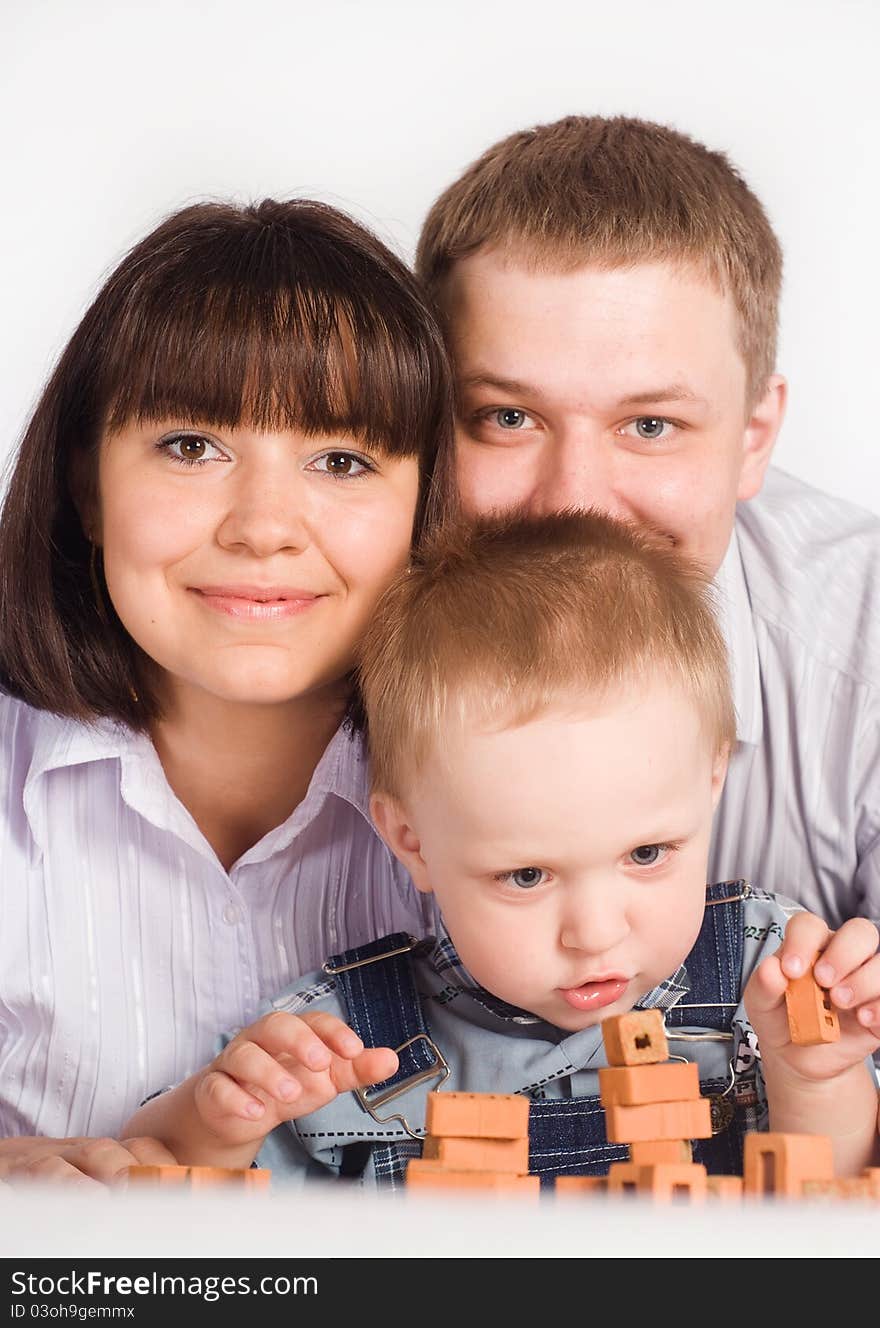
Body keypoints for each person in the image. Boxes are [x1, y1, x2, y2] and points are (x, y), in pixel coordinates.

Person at [124, 512, 880, 1187]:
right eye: (526, 875)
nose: (596, 932)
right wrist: (214, 1122)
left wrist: (817, 1078)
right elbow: (166, 1209)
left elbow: (836, 1228)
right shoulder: (343, 1047)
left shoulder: (773, 975)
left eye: (647, 855)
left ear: (712, 781)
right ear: (410, 839)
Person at [0, 197, 455, 1184]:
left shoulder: (514, 785)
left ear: (423, 507)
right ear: (88, 485)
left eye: (341, 460)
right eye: (193, 446)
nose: (262, 527)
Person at [413, 114, 880, 936]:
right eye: (508, 417)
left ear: (753, 437)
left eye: (651, 425)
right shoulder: (327, 605)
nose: (576, 502)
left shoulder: (862, 647)